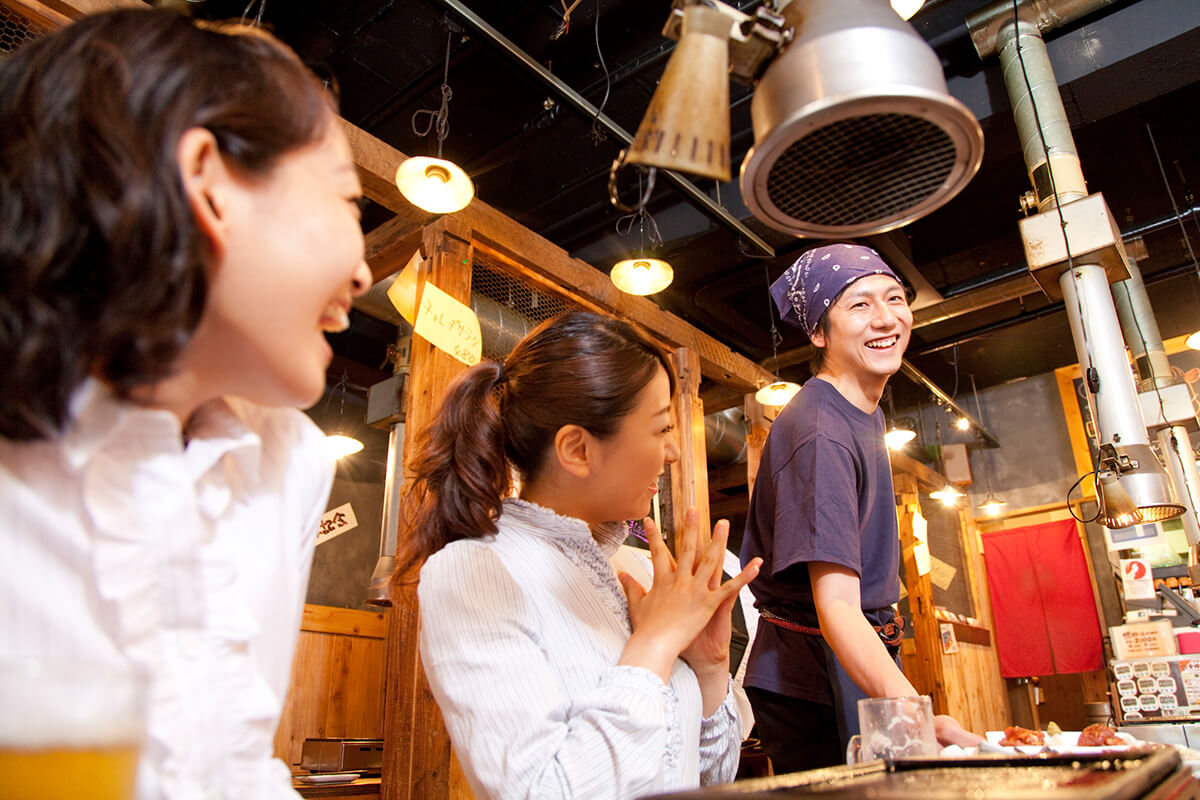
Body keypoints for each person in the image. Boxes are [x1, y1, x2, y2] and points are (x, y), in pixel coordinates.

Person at [0, 9, 372, 798]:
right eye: (349, 203)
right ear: (207, 181)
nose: (365, 273)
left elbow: (235, 771)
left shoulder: (290, 460)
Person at [398, 311, 762, 799]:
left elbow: (705, 778)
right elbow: (545, 790)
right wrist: (654, 644)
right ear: (578, 450)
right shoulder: (474, 570)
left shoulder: (619, 573)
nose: (673, 451)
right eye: (660, 429)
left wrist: (711, 666)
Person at [739, 244, 979, 773]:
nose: (887, 318)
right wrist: (916, 716)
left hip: (845, 659)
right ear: (820, 334)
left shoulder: (862, 410)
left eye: (894, 299)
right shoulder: (821, 431)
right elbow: (839, 608)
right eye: (860, 305)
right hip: (811, 680)